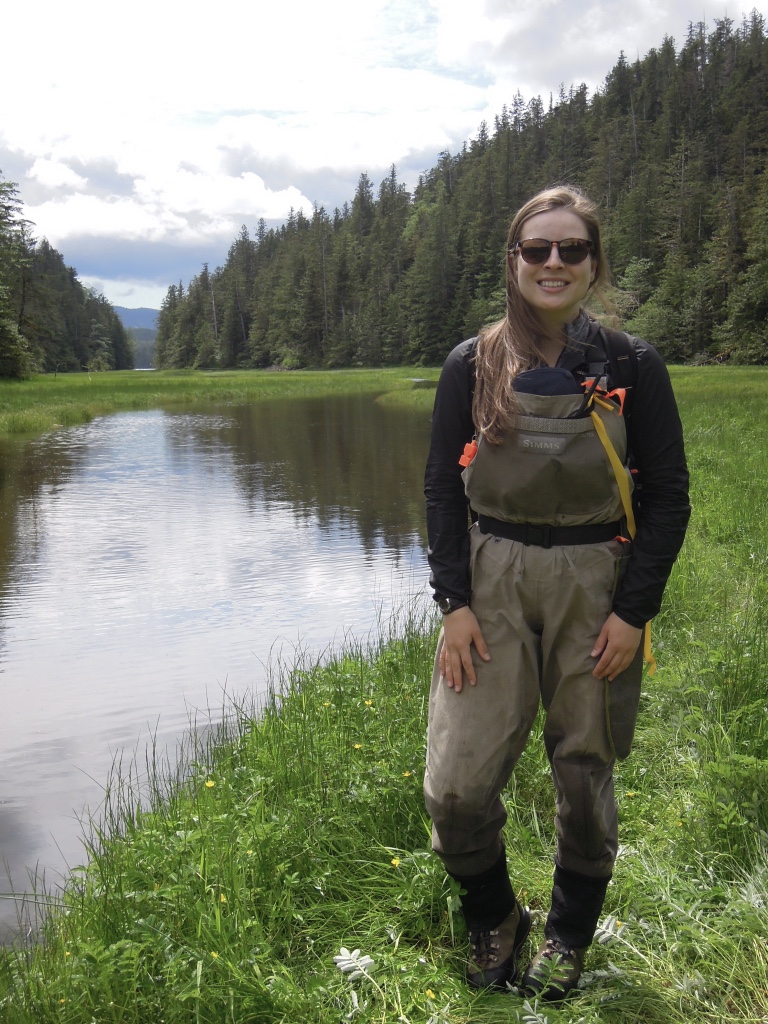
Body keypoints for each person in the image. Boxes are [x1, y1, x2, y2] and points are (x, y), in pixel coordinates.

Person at [423, 185, 690, 1000]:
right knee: (457, 782)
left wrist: (631, 614)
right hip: (491, 578)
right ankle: (493, 915)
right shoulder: (471, 364)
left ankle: (569, 935)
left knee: (584, 768)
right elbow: (441, 488)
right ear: (513, 261)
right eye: (536, 249)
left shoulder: (633, 365)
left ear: (593, 263)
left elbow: (670, 495)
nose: (552, 263)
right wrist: (455, 604)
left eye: (570, 249)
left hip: (594, 583)